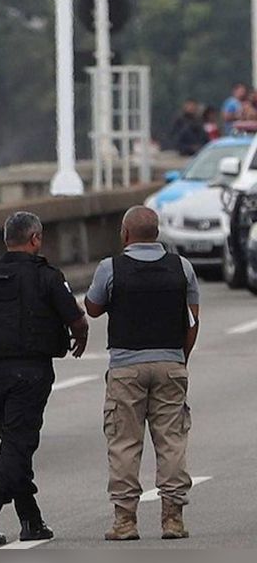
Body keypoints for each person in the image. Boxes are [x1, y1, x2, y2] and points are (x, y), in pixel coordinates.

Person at [0, 211, 89, 545]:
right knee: (18, 445)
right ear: (36, 239)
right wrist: (80, 339)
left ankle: (32, 521)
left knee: (15, 445)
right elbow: (76, 319)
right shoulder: (48, 277)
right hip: (30, 373)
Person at [83, 206, 198, 541]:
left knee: (124, 443)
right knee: (172, 441)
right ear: (157, 233)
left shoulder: (111, 268)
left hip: (125, 368)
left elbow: (92, 307)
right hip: (171, 364)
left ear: (125, 234)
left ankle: (125, 521)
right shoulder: (182, 268)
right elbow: (192, 320)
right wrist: (180, 359)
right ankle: (173, 519)